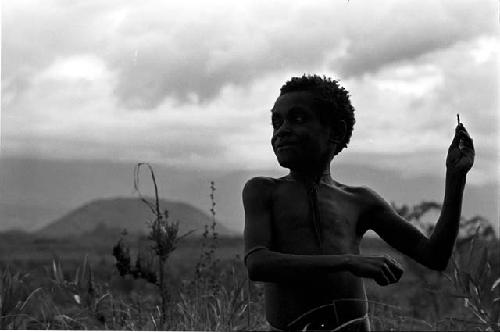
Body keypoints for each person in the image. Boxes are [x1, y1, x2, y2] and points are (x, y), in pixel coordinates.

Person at [242, 75, 475, 331]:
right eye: (277, 122)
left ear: (337, 131)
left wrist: (456, 178)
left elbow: (434, 256)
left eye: (298, 119)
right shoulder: (262, 191)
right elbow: (258, 264)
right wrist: (349, 261)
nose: (282, 130)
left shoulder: (360, 200)